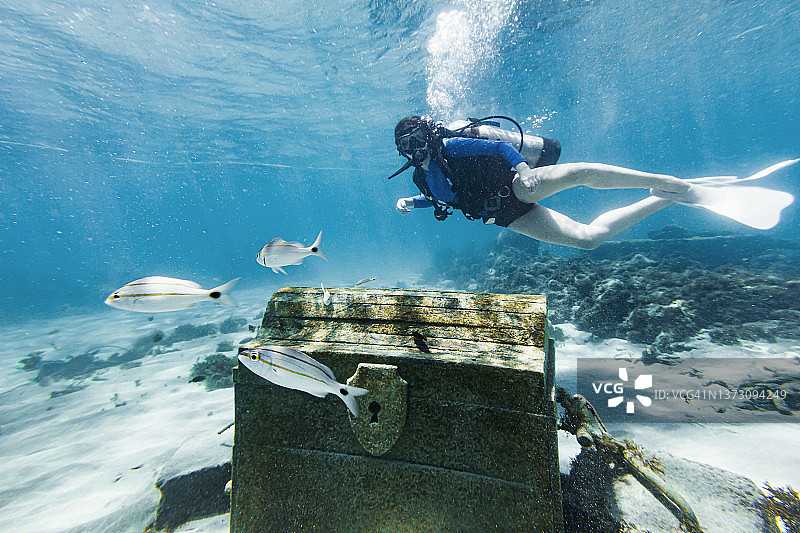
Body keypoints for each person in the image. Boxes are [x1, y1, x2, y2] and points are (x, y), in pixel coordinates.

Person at [389, 116, 796, 250]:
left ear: (427, 134)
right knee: (588, 240)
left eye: (416, 139)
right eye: (406, 145)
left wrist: (524, 170)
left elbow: (498, 153)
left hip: (516, 186)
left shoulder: (449, 148)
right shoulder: (423, 175)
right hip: (506, 217)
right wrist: (414, 202)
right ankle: (666, 198)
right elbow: (450, 199)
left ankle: (669, 181)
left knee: (580, 174)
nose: (414, 148)